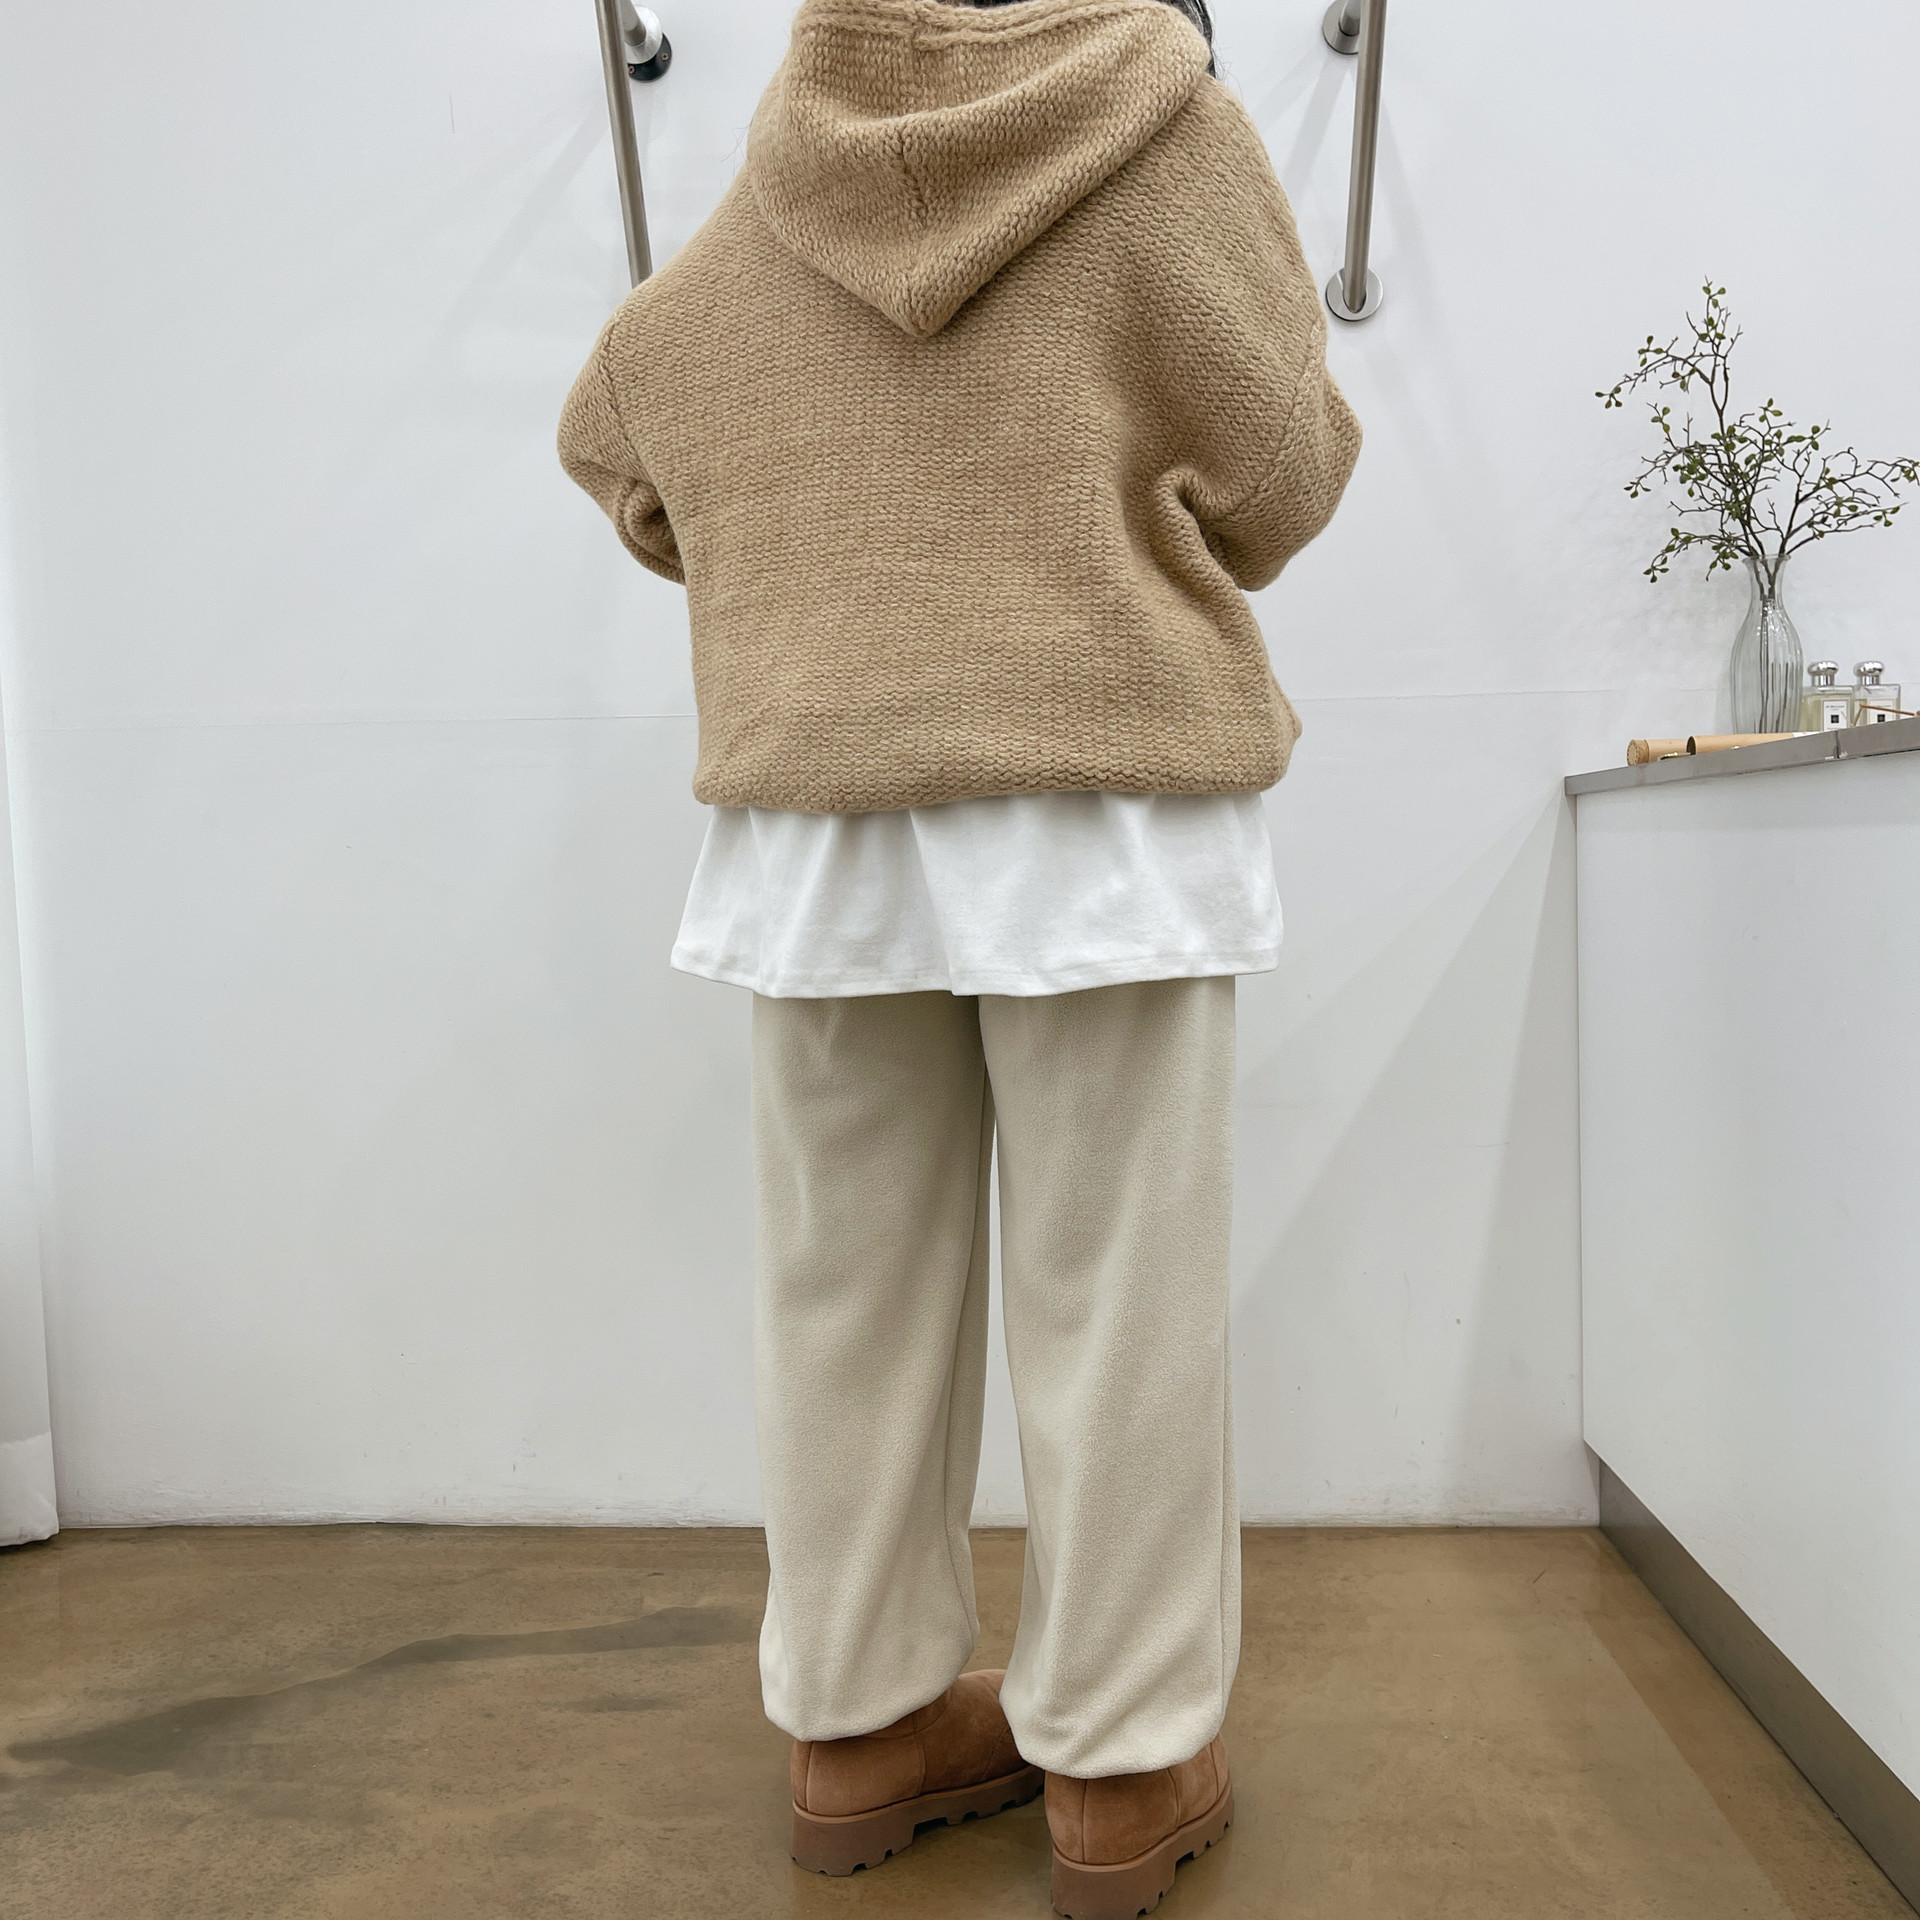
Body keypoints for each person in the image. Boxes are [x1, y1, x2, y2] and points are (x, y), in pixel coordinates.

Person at [559, 0, 1358, 1910]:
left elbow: (620, 436)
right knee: (1117, 1307)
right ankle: (1126, 1766)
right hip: (1101, 806)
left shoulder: (786, 170)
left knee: (844, 1298)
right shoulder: (1171, 138)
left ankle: (856, 1727)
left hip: (822, 827)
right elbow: (1284, 476)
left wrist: (814, 538)